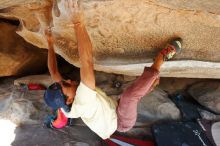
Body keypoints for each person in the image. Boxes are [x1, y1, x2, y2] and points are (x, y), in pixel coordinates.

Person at [45, 0, 182, 139]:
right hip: (121, 122)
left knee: (130, 96)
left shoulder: (63, 101)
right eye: (66, 84)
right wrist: (78, 22)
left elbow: (54, 72)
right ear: (69, 100)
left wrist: (49, 43)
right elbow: (86, 62)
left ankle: (150, 84)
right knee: (129, 97)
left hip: (113, 107)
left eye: (63, 82)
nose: (67, 80)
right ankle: (162, 57)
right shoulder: (82, 102)